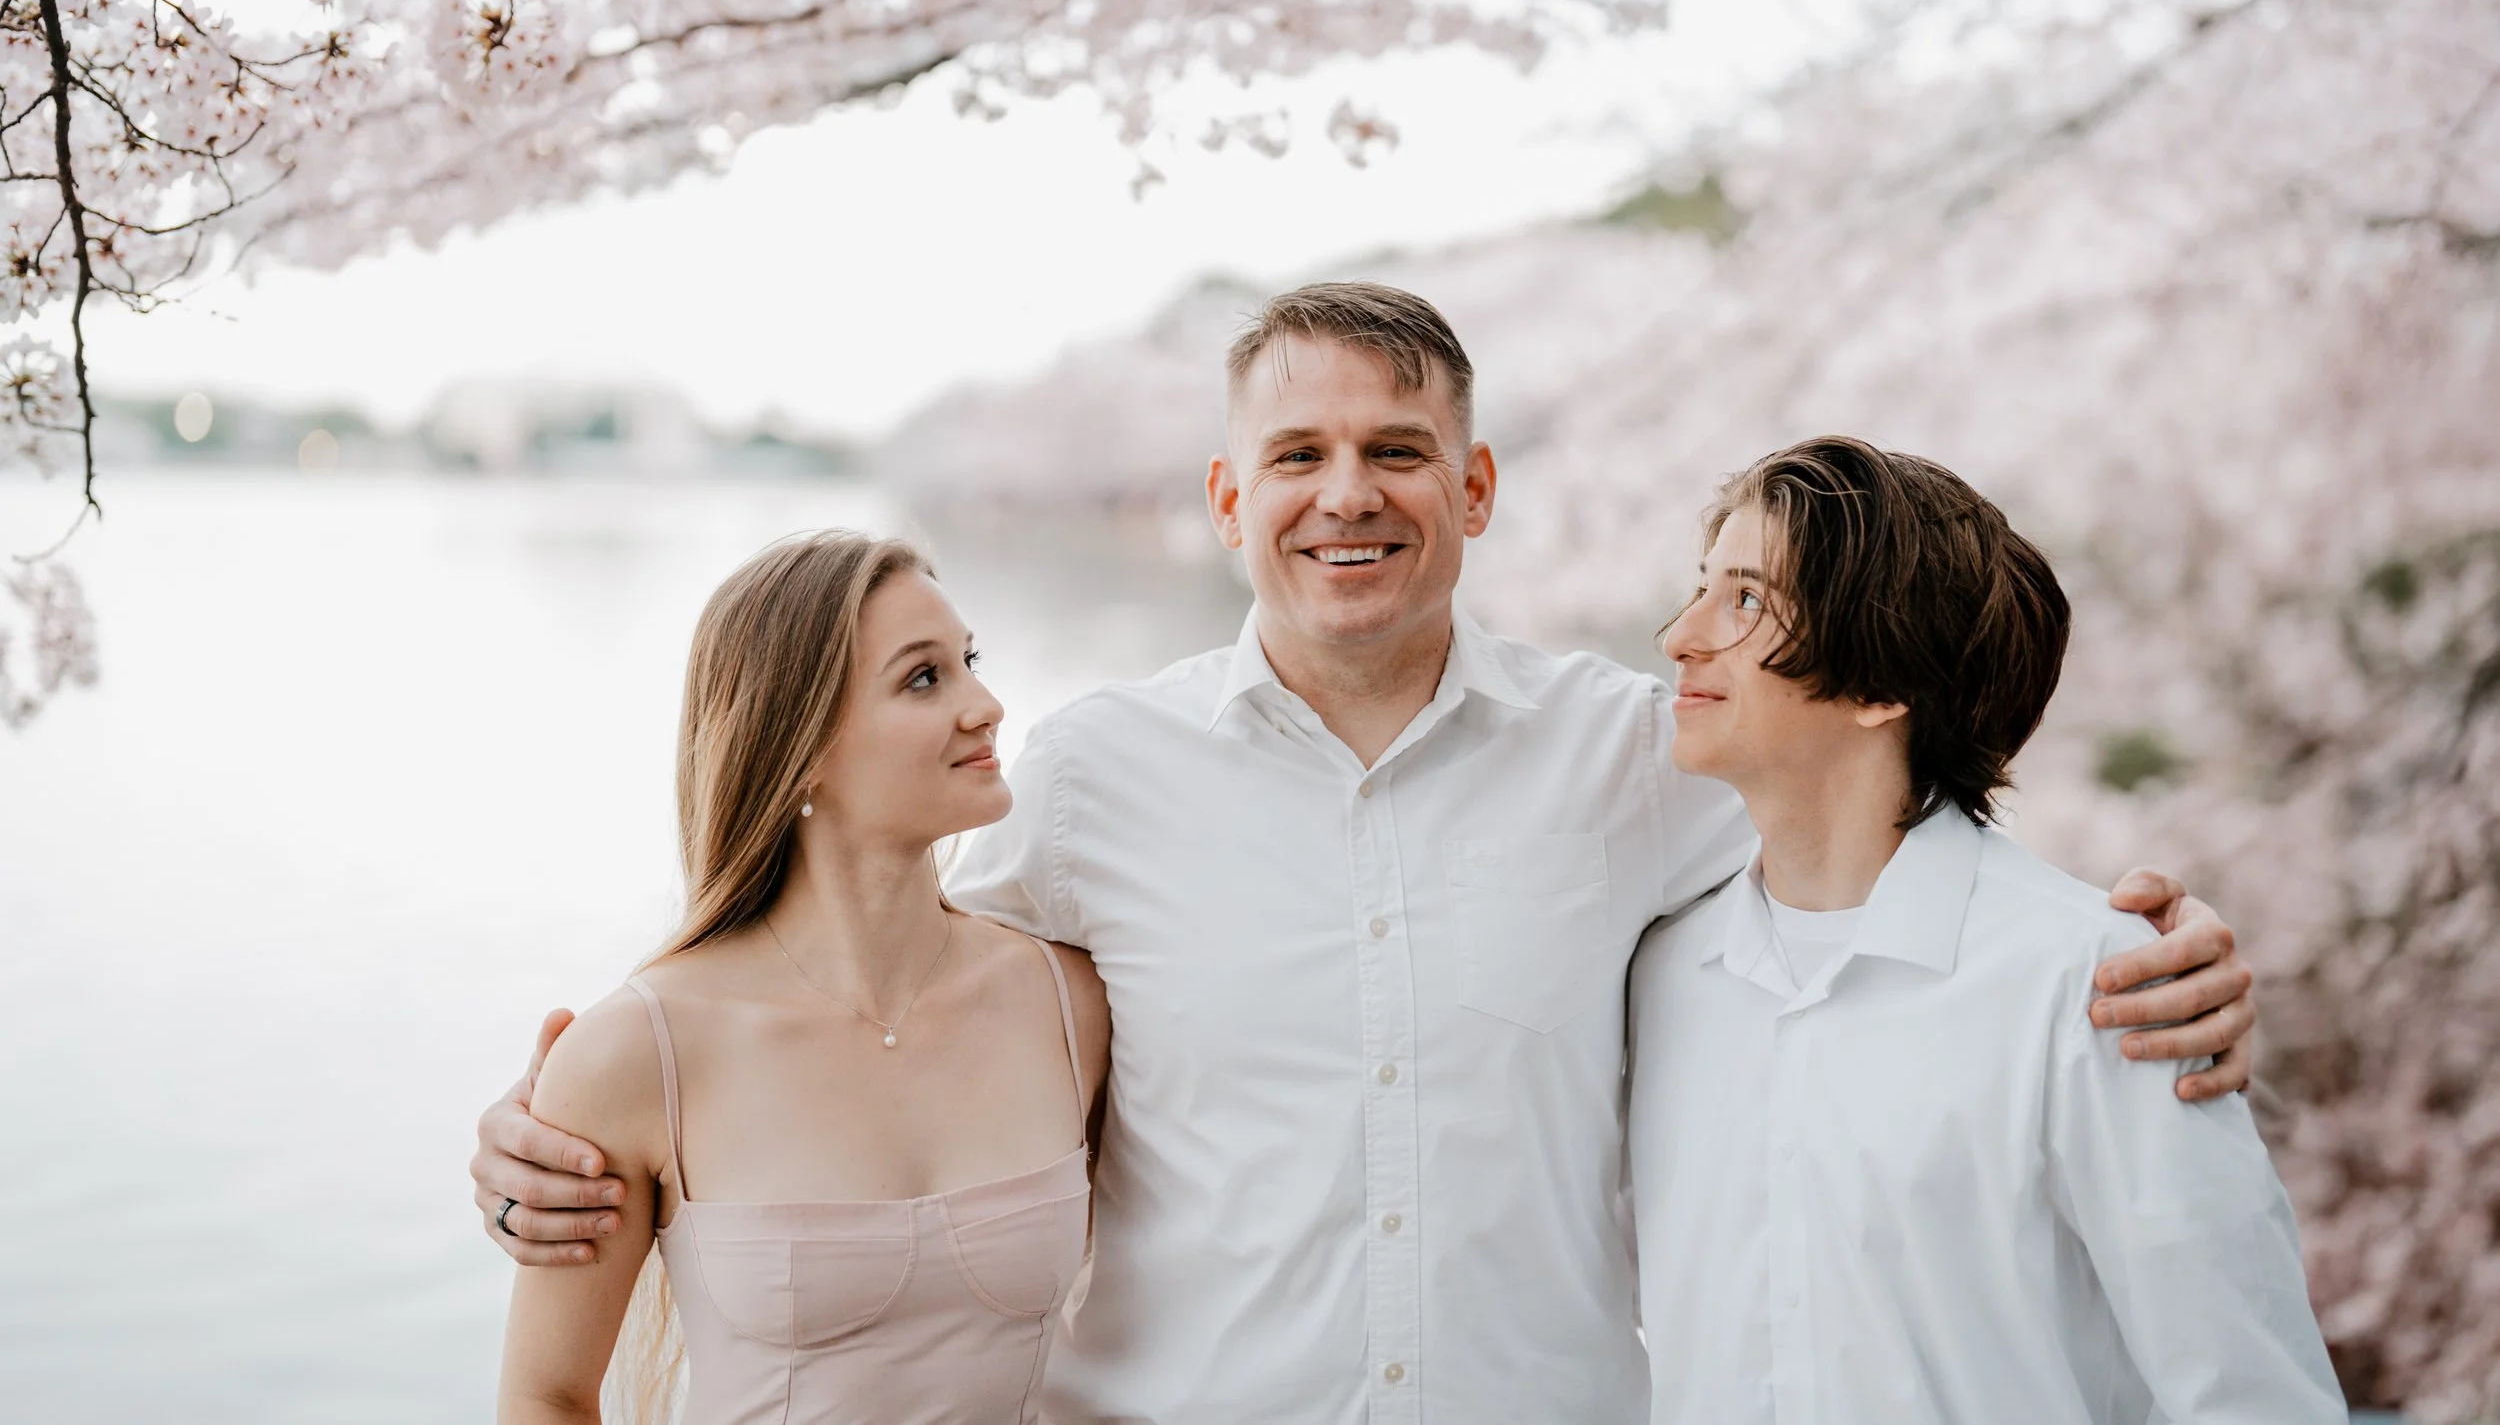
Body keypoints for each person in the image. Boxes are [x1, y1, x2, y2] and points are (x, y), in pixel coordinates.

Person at [477, 284, 2258, 1423]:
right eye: (1302, 453)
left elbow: (1872, 805)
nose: (1353, 493)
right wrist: (555, 1144)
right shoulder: (1091, 778)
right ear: (1226, 499)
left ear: (1474, 490)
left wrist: (2134, 948)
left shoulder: (1638, 755)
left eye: (1400, 451)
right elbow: (864, 992)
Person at [1630, 437, 2338, 1423]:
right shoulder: (1659, 976)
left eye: (1743, 600)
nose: (1678, 633)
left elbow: (2249, 1392)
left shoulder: (2097, 983)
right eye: (1702, 588)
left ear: (1880, 686)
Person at [495, 532, 1109, 1425]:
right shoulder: (639, 1050)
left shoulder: (1068, 1004)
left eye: (968, 660)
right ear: (803, 748)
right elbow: (545, 1396)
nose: (987, 705)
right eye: (925, 678)